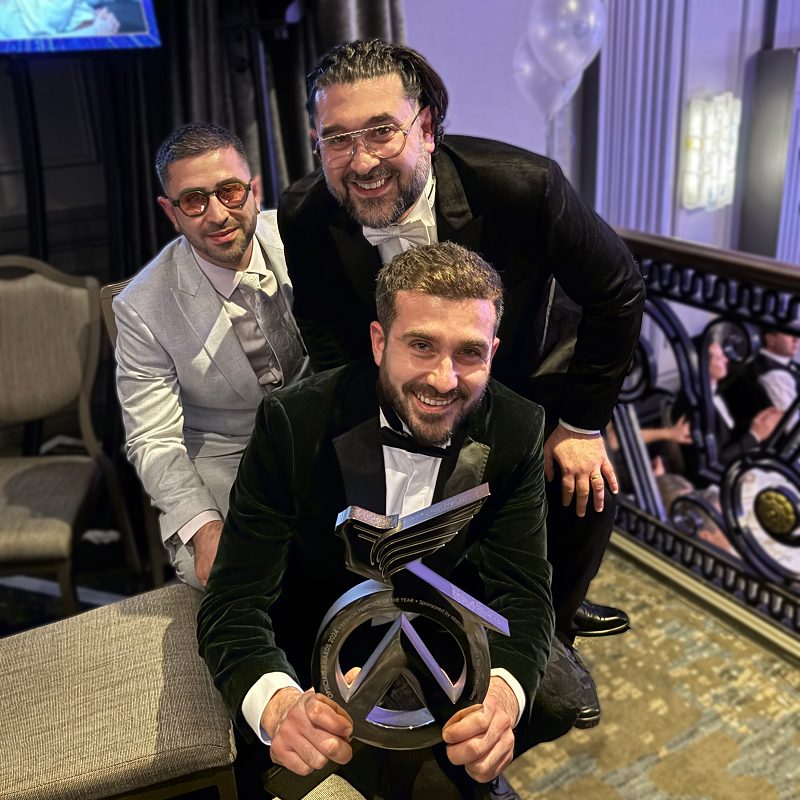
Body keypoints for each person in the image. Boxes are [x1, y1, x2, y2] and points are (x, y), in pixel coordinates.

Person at [277, 39, 646, 715]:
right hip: (403, 383)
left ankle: (551, 629)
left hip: (527, 373)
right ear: (316, 141)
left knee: (582, 486)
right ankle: (434, 630)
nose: (361, 161)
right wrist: (384, 432)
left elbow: (618, 288)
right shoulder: (303, 214)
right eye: (337, 138)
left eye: (382, 130)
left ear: (427, 125)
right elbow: (329, 338)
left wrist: (582, 424)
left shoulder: (523, 185)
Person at [197, 242, 583, 800]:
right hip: (318, 635)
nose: (445, 380)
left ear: (494, 353)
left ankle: (459, 768)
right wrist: (280, 708)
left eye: (470, 353)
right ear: (380, 343)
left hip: (440, 625)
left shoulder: (518, 428)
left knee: (552, 697)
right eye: (421, 345)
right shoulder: (294, 422)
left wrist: (499, 704)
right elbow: (233, 602)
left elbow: (523, 593)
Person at [113, 122, 310, 589]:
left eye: (229, 191)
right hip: (226, 456)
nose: (218, 214)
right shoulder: (141, 306)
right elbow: (153, 439)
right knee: (238, 575)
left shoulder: (303, 237)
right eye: (195, 200)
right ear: (171, 212)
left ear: (253, 190)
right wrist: (204, 525)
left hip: (323, 429)